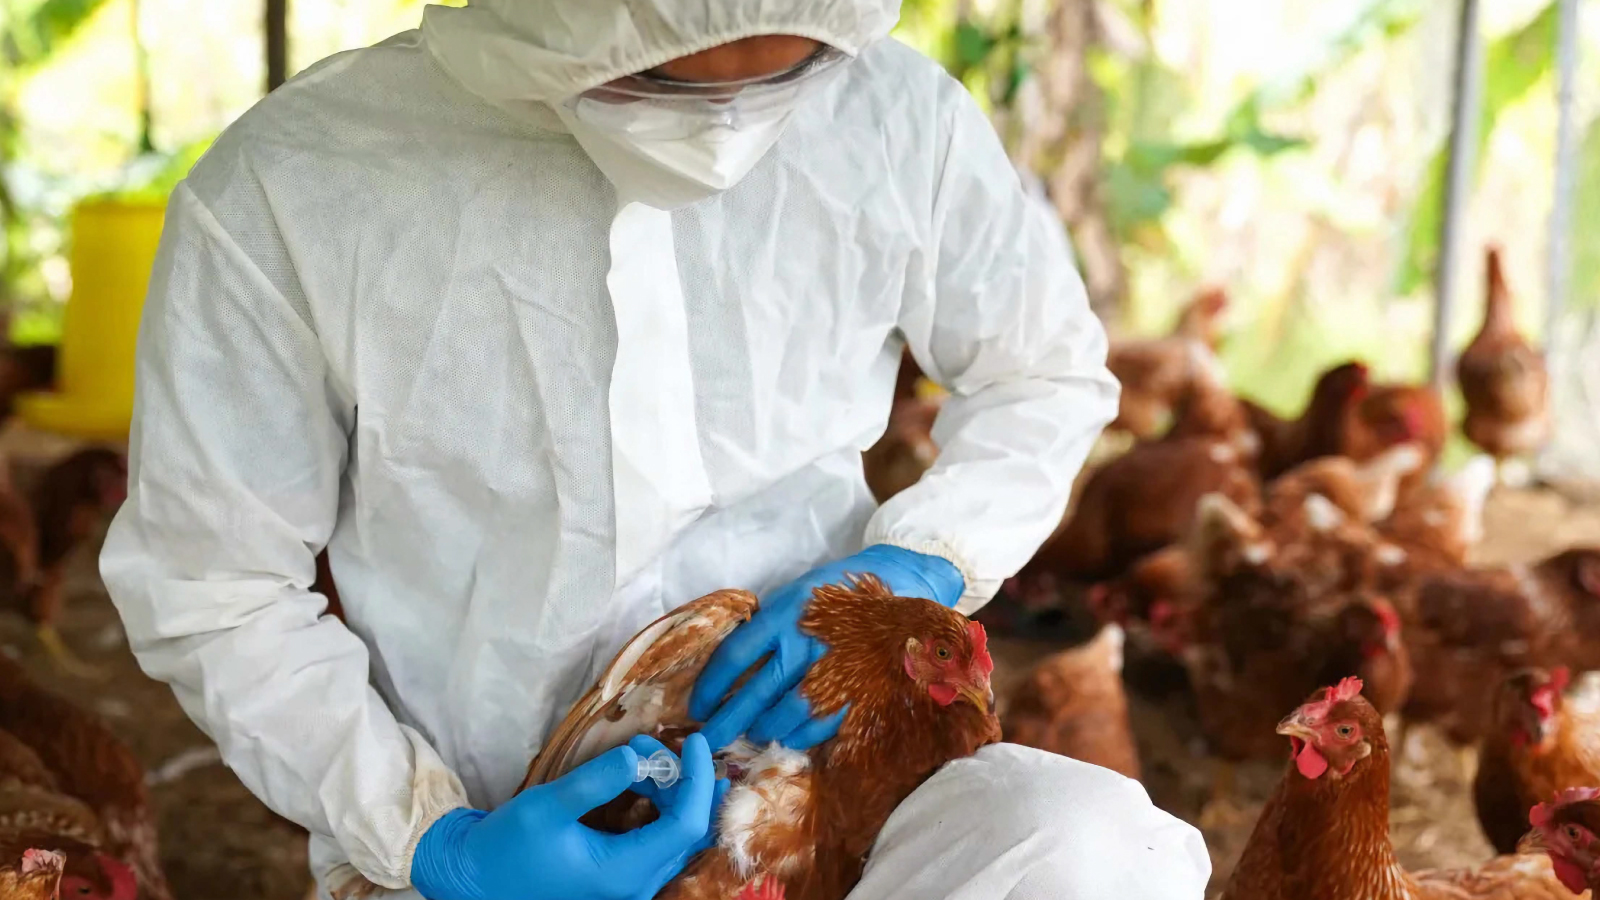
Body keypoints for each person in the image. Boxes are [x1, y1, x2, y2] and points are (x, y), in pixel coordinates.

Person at [100, 1, 1209, 898]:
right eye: (660, 78)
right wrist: (431, 839)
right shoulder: (299, 184)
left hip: (828, 792)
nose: (726, 129)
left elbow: (1043, 372)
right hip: (496, 825)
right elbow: (215, 580)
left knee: (1084, 849)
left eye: (788, 73)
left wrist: (921, 562)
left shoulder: (898, 118)